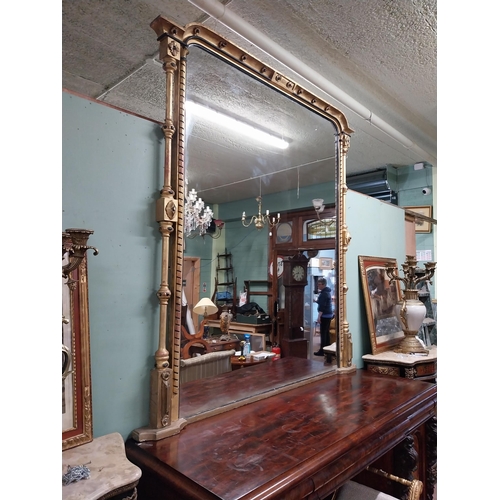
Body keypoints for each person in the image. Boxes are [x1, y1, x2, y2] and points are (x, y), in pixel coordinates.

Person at [314, 277, 334, 356]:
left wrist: (319, 317)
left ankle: (322, 350)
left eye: (319, 284)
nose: (318, 286)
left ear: (324, 285)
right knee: (326, 332)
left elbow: (322, 306)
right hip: (329, 314)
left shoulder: (324, 293)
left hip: (325, 315)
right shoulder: (327, 292)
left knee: (323, 333)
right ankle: (328, 349)